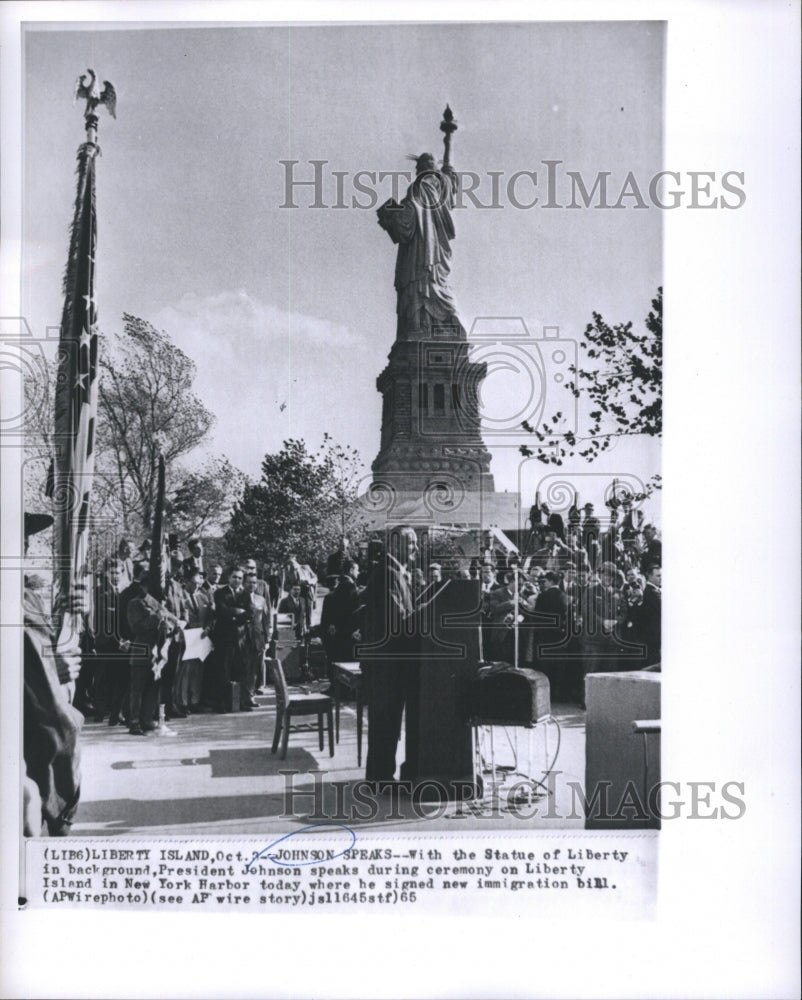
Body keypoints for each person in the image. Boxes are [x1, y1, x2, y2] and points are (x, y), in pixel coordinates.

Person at [377, 152, 465, 338]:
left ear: (422, 168)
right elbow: (450, 177)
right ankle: (445, 325)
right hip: (436, 251)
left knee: (419, 286)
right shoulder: (441, 188)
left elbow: (407, 221)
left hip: (421, 250)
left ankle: (419, 328)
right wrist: (448, 146)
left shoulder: (419, 187)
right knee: (434, 286)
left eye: (418, 167)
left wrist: (391, 213)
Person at [357, 525, 419, 783]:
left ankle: (381, 775)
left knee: (389, 723)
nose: (416, 547)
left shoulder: (396, 574)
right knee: (385, 723)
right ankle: (380, 778)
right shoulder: (387, 574)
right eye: (411, 542)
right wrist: (421, 619)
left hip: (391, 665)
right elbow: (398, 619)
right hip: (386, 666)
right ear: (394, 546)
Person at [126, 572, 181, 735]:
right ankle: (134, 722)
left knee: (153, 688)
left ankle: (147, 719)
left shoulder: (159, 605)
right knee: (137, 688)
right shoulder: (135, 603)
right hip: (142, 651)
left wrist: (174, 624)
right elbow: (136, 627)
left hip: (158, 652)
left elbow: (172, 621)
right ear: (143, 586)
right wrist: (157, 617)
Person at [91, 558, 129, 725]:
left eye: (118, 573)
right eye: (112, 573)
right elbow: (104, 616)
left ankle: (116, 712)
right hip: (105, 640)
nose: (115, 576)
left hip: (121, 641)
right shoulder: (99, 592)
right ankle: (100, 711)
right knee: (102, 677)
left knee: (119, 677)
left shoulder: (124, 592)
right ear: (106, 573)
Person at [212, 567, 252, 711]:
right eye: (234, 577)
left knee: (240, 670)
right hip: (224, 637)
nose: (237, 580)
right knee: (223, 670)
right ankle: (222, 704)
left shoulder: (245, 594)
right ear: (229, 578)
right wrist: (238, 612)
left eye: (240, 578)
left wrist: (234, 614)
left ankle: (240, 702)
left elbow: (250, 613)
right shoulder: (220, 593)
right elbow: (222, 611)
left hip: (240, 638)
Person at [179, 567, 214, 713]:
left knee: (198, 671)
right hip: (186, 638)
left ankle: (195, 700)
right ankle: (183, 702)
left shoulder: (203, 597)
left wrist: (208, 628)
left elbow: (211, 617)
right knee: (185, 671)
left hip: (201, 637)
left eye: (199, 582)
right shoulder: (181, 597)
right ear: (186, 582)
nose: (197, 586)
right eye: (194, 583)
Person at [320, 559, 362, 664]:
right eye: (357, 569)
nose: (359, 572)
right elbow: (353, 609)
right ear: (351, 570)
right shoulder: (350, 586)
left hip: (338, 630)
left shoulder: (341, 585)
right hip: (348, 630)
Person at [242, 569, 270, 699]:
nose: (251, 585)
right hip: (242, 637)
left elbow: (265, 619)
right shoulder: (239, 597)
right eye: (248, 582)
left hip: (257, 637)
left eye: (254, 583)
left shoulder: (261, 599)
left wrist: (267, 638)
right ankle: (241, 696)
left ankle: (250, 694)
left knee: (254, 667)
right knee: (242, 667)